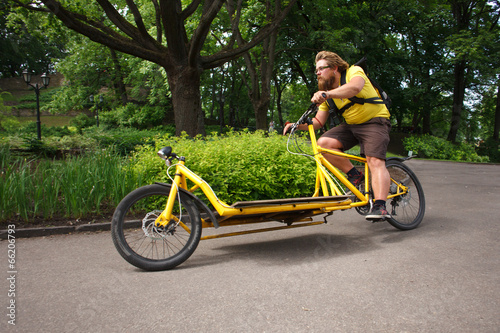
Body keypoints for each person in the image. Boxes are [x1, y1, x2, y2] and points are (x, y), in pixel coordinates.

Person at [283, 51, 392, 221]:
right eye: (316, 70)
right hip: (351, 126)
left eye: (321, 68)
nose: (317, 72)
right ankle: (355, 175)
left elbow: (354, 88)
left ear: (334, 68)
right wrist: (295, 126)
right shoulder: (327, 92)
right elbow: (318, 121)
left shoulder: (353, 72)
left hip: (374, 121)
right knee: (323, 143)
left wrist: (328, 94)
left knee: (374, 161)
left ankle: (380, 206)